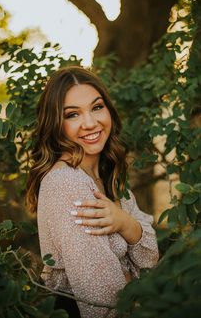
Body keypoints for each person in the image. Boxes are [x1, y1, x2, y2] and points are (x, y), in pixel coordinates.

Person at [26, 66, 159, 318]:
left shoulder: (108, 175)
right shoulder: (67, 183)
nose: (90, 123)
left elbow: (150, 258)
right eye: (72, 114)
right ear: (56, 124)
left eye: (97, 107)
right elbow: (102, 303)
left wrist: (125, 222)